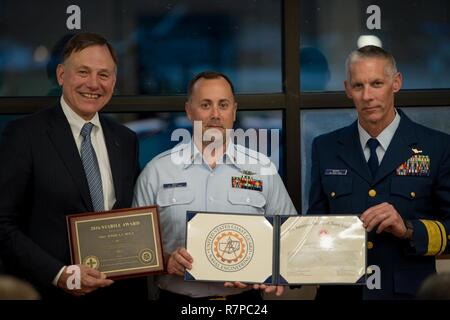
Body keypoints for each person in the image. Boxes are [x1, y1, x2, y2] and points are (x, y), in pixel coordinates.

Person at [0, 33, 147, 299]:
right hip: (49, 291)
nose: (93, 83)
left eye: (104, 75)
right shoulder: (24, 135)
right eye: (83, 72)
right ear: (60, 75)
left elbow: (130, 218)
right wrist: (59, 274)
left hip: (116, 292)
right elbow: (3, 223)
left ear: (113, 81)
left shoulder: (125, 139)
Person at [133, 71, 297, 300]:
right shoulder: (157, 171)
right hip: (178, 299)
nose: (215, 114)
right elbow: (136, 247)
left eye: (223, 104)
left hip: (243, 300)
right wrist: (166, 260)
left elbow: (290, 236)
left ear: (234, 110)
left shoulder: (262, 168)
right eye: (205, 105)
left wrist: (273, 271)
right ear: (189, 111)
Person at [307, 45, 450, 299]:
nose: (367, 96)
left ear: (396, 82)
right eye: (358, 86)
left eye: (376, 83)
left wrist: (407, 229)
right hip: (341, 294)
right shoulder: (325, 147)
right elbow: (315, 225)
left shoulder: (438, 147)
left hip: (409, 294)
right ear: (347, 89)